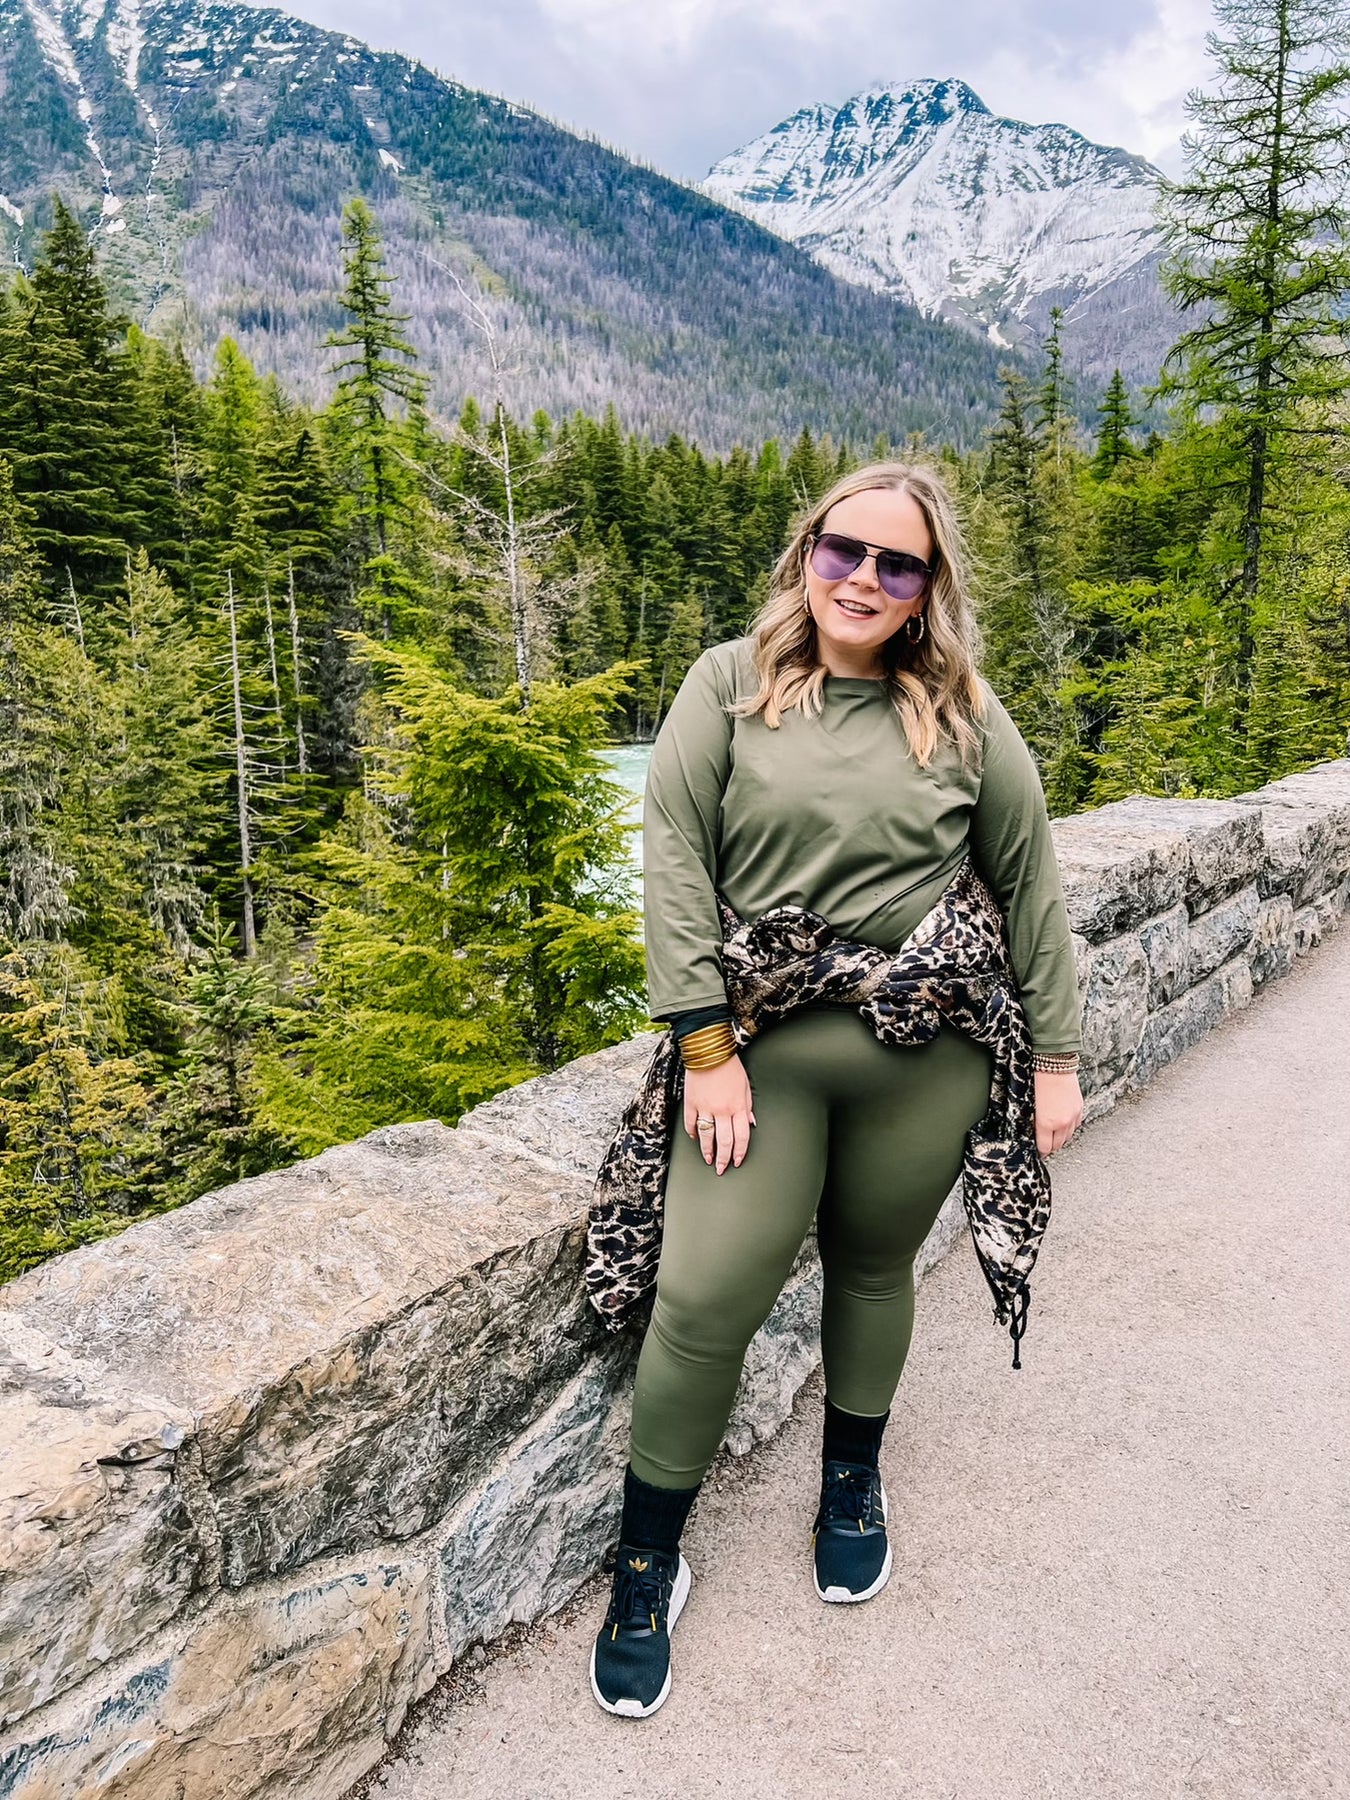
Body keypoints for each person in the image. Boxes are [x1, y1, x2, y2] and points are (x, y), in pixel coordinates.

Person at [588, 460, 1084, 1719]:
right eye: (842, 549)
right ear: (806, 553)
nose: (863, 578)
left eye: (896, 563)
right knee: (704, 1299)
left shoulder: (964, 715)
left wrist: (1058, 1060)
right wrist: (706, 1049)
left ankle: (851, 1481)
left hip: (930, 1053)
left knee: (873, 1269)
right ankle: (646, 1562)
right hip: (762, 1054)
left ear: (928, 587)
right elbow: (673, 861)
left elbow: (1028, 883)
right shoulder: (729, 686)